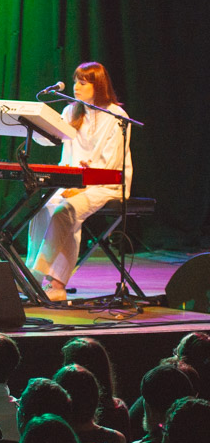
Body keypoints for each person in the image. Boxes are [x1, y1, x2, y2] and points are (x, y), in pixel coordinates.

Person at [27, 61, 132, 301]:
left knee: (65, 212)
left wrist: (84, 185)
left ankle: (41, 277)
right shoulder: (70, 111)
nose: (76, 87)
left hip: (106, 185)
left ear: (99, 86)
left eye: (83, 83)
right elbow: (67, 156)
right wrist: (69, 182)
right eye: (76, 81)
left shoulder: (116, 116)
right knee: (43, 207)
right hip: (74, 181)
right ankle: (49, 284)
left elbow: (111, 164)